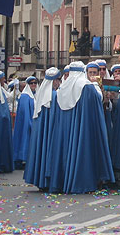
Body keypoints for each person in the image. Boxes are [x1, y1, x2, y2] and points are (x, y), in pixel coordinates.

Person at [48, 61, 114, 194]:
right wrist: (97, 86)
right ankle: (81, 182)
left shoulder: (61, 89)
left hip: (65, 130)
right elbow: (98, 101)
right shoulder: (87, 87)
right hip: (82, 128)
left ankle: (61, 181)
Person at [24, 67, 61, 191]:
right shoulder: (55, 95)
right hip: (51, 128)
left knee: (40, 149)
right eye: (58, 80)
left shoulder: (41, 94)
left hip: (40, 128)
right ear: (54, 81)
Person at [12, 76, 38, 169]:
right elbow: (25, 113)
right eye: (31, 83)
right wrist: (30, 124)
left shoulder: (35, 95)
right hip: (27, 124)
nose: (34, 85)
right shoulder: (25, 96)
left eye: (35, 83)